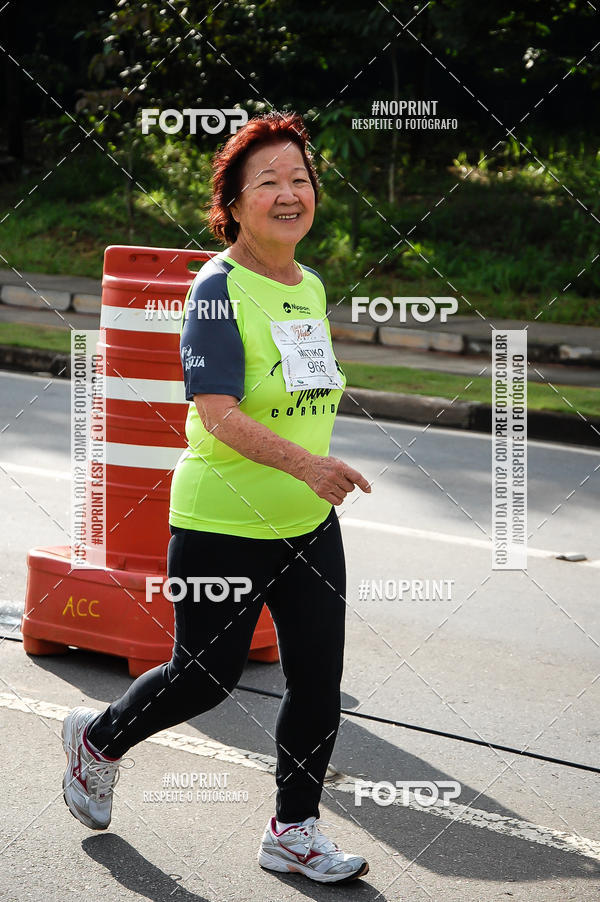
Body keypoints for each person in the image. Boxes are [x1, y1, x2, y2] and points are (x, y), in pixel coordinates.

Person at [61, 111, 372, 884]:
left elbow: (298, 391)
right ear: (232, 204)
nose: (290, 193)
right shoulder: (214, 290)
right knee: (204, 675)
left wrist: (311, 470)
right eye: (268, 182)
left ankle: (293, 831)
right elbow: (218, 413)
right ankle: (98, 740)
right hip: (222, 521)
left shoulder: (310, 285)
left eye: (300, 179)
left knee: (315, 679)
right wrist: (308, 464)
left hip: (306, 523)